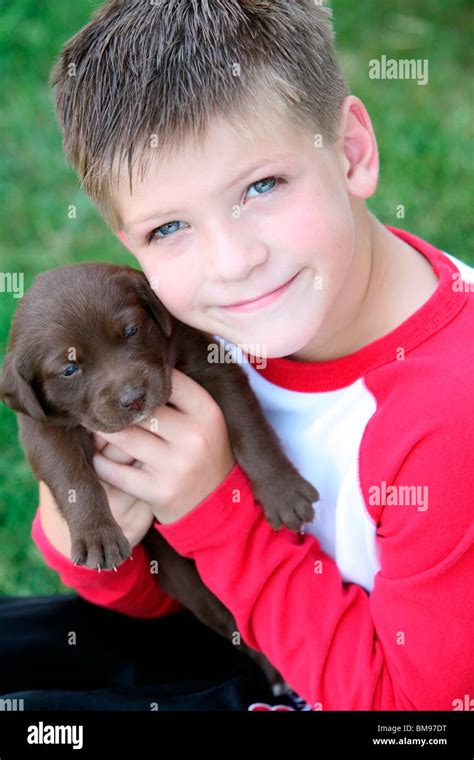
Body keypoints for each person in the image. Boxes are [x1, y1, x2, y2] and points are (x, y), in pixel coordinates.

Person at [8, 0, 474, 710]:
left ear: (350, 150)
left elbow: (418, 716)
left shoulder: (450, 415)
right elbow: (157, 601)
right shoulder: (175, 332)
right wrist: (90, 527)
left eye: (262, 186)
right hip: (252, 642)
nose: (231, 262)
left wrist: (216, 511)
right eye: (168, 227)